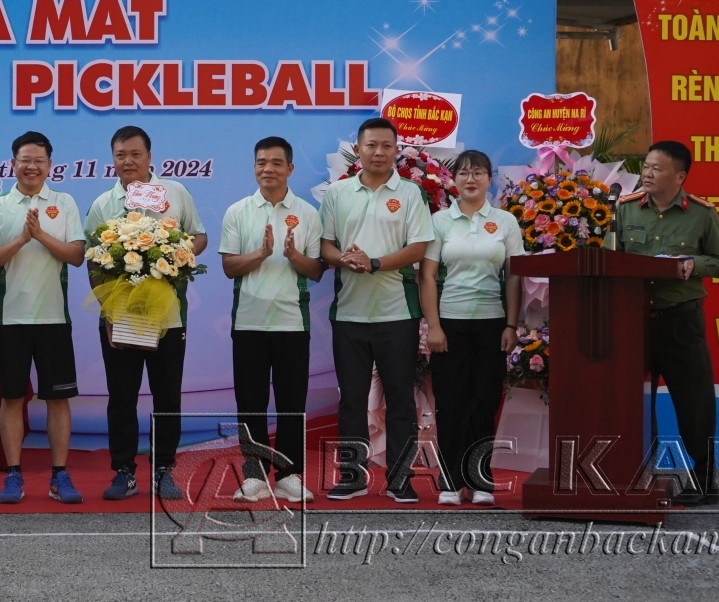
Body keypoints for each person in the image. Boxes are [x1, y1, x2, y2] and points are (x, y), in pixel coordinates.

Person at [84, 125, 207, 501]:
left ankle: (164, 470)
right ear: (113, 159)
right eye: (121, 155)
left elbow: (199, 236)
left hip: (167, 317)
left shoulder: (176, 193)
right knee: (121, 396)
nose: (128, 161)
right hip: (121, 318)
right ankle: (123, 471)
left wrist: (178, 252)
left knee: (167, 396)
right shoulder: (104, 203)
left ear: (150, 157)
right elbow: (92, 259)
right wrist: (107, 308)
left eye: (135, 154)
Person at [319, 118, 433, 503]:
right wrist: (345, 260)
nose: (379, 152)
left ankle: (401, 479)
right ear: (359, 148)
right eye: (371, 145)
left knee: (400, 399)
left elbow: (418, 248)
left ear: (396, 149)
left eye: (387, 145)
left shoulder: (411, 193)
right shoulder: (338, 193)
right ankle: (353, 477)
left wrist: (376, 263)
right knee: (351, 399)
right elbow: (325, 246)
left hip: (397, 313)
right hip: (349, 315)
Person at [614, 140, 719, 506]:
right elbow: (610, 257)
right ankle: (629, 472)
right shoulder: (625, 209)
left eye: (657, 168)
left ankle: (703, 480)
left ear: (679, 176)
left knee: (693, 401)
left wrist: (692, 264)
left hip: (681, 320)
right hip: (633, 322)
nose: (647, 173)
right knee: (624, 399)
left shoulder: (701, 214)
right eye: (646, 166)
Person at [0, 131, 87, 505]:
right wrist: (22, 239)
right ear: (13, 164)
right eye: (25, 159)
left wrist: (39, 234)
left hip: (54, 317)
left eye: (39, 160)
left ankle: (59, 475)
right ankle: (13, 475)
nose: (32, 166)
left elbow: (75, 255)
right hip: (10, 319)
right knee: (11, 397)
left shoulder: (64, 202)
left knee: (58, 399)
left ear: (49, 165)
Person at [219, 136, 323, 504]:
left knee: (292, 401)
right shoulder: (238, 211)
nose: (268, 169)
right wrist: (261, 253)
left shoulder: (308, 214)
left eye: (276, 163)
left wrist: (293, 254)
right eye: (262, 162)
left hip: (292, 323)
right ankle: (254, 476)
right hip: (248, 322)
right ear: (254, 167)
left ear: (290, 168)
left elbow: (316, 271)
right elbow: (229, 267)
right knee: (251, 402)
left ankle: (291, 475)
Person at [417, 149, 522, 507]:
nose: (471, 179)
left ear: (489, 179)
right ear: (454, 180)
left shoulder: (506, 221)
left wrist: (511, 323)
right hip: (450, 324)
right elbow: (427, 277)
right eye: (463, 173)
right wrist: (434, 325)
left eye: (478, 173)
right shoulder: (439, 222)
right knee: (450, 402)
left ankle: (481, 482)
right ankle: (450, 481)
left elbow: (513, 277)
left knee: (484, 401)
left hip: (492, 323)